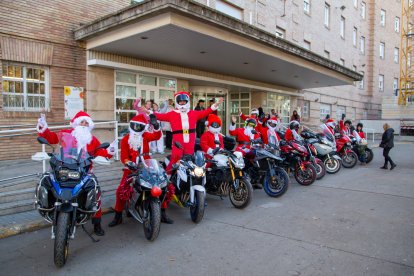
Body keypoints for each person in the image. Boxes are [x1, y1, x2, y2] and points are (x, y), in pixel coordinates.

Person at [144, 91, 223, 222]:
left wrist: (216, 104)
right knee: (174, 160)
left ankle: (187, 184)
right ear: (177, 102)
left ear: (187, 101)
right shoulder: (172, 114)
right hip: (178, 142)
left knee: (190, 162)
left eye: (184, 101)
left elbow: (206, 112)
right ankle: (166, 180)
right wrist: (150, 114)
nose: (182, 103)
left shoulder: (193, 113)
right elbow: (159, 115)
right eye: (179, 101)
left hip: (190, 142)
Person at [37, 111, 115, 236]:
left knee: (95, 193)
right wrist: (44, 127)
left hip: (85, 171)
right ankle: (56, 212)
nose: (83, 124)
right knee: (52, 184)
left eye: (86, 122)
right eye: (81, 122)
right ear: (76, 123)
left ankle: (97, 224)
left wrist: (111, 150)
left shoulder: (92, 139)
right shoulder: (67, 134)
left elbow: (101, 153)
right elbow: (51, 138)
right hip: (65, 168)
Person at [108, 114, 166, 226]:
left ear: (143, 127)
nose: (136, 128)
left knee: (160, 186)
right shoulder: (125, 139)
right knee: (121, 190)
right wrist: (128, 162)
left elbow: (157, 136)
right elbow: (123, 156)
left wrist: (156, 126)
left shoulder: (145, 136)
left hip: (147, 166)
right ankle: (118, 216)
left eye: (139, 126)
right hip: (131, 168)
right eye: (134, 125)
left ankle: (162, 213)